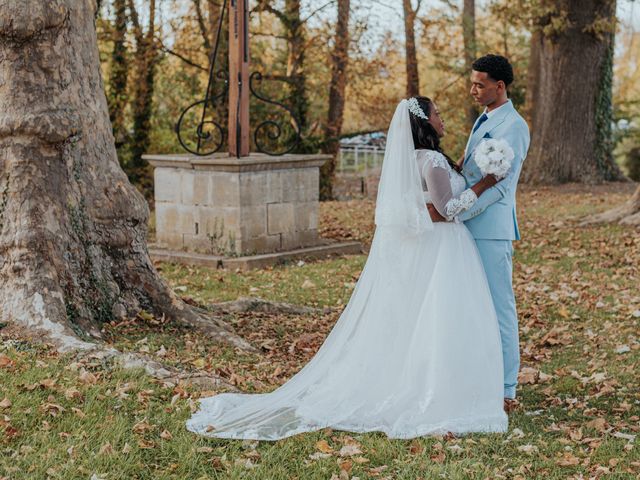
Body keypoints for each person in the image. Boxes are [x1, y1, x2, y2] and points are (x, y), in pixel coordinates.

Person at [186, 97, 508, 441]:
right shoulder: (430, 160)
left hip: (431, 249)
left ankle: (432, 382)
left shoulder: (415, 160)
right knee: (439, 319)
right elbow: (448, 208)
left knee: (423, 318)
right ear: (424, 123)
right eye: (438, 114)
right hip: (443, 249)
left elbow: (426, 203)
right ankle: (441, 391)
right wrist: (485, 183)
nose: (442, 119)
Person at [429, 54, 530, 411]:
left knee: (499, 307)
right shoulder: (484, 118)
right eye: (472, 82)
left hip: (489, 229)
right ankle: (476, 376)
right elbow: (473, 172)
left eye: (479, 84)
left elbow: (501, 186)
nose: (473, 89)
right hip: (465, 225)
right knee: (471, 306)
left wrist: (454, 212)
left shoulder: (514, 127)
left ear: (499, 86)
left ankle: (506, 388)